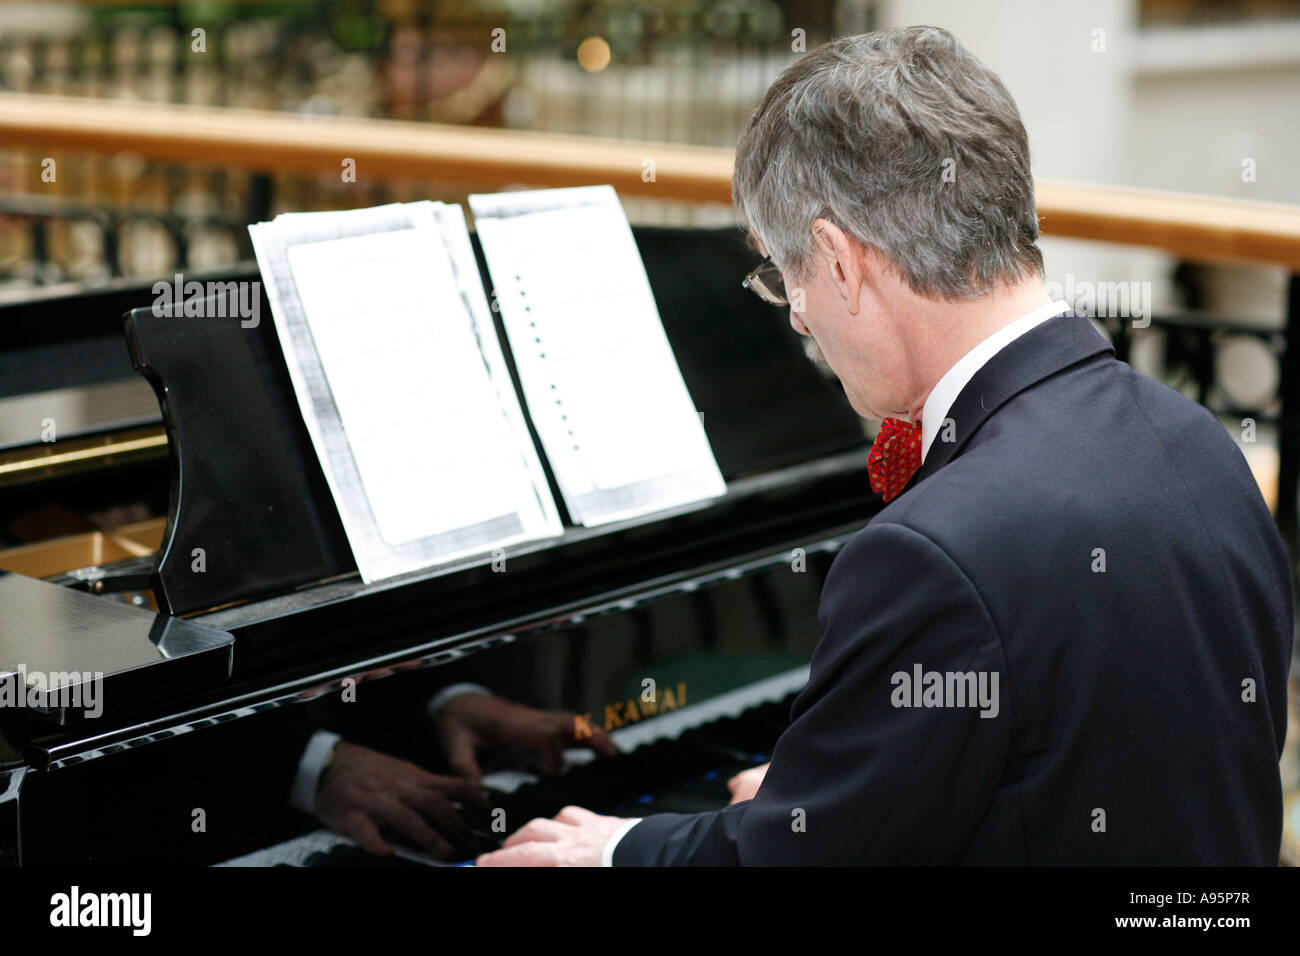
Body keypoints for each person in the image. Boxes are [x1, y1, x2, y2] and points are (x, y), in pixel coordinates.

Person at [476, 25, 1293, 866]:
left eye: (781, 274)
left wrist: (617, 850)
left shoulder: (934, 550)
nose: (794, 314)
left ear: (836, 258)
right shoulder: (1200, 445)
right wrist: (835, 786)